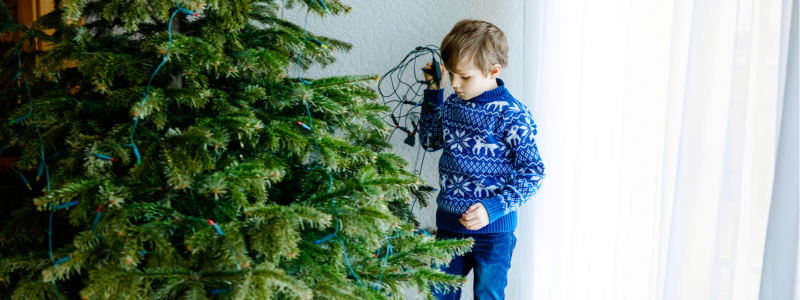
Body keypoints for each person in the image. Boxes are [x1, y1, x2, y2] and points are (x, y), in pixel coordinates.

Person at [419, 19, 546, 300]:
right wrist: (433, 92)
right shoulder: (452, 103)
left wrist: (493, 209)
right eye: (451, 74)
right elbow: (430, 141)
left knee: (488, 295)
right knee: (437, 294)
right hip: (449, 228)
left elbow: (533, 172)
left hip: (494, 233)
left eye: (464, 76)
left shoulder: (512, 114)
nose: (455, 84)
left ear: (493, 70)